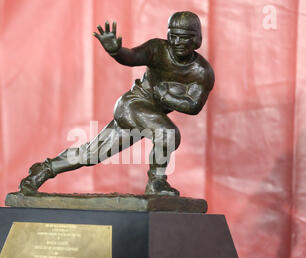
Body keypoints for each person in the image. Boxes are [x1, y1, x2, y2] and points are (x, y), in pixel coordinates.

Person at [19, 11, 214, 197]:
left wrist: (166, 97)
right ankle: (157, 181)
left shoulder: (201, 72)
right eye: (173, 36)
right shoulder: (157, 49)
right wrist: (116, 50)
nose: (177, 42)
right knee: (167, 133)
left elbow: (193, 106)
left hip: (149, 116)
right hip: (132, 106)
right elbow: (132, 57)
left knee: (91, 155)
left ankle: (43, 170)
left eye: (184, 37)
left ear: (196, 39)